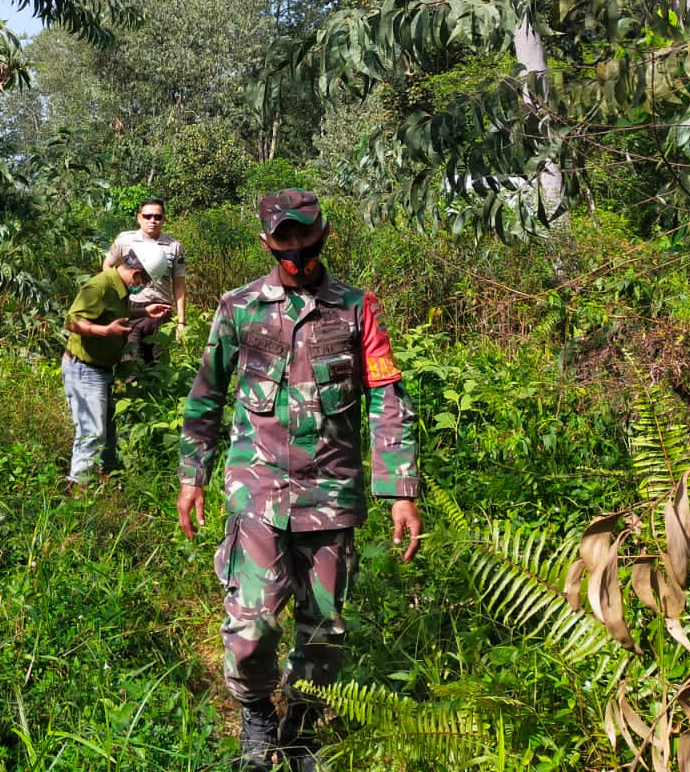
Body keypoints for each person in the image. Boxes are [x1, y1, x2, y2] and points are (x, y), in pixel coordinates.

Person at [175, 189, 423, 772]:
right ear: (267, 243)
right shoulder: (238, 308)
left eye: (304, 236)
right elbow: (207, 394)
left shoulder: (358, 309)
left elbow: (389, 400)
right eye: (283, 239)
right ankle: (257, 715)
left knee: (323, 626)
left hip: (331, 494)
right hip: (256, 489)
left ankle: (303, 726)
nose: (295, 250)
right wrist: (194, 475)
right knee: (253, 620)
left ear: (324, 234)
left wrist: (401, 489)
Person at [62, 250, 173, 485]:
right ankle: (78, 486)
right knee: (92, 431)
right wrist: (105, 331)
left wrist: (144, 311)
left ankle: (107, 476)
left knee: (108, 429)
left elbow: (113, 314)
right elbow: (71, 322)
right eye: (145, 280)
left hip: (101, 369)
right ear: (136, 273)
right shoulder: (99, 287)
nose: (143, 286)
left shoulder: (119, 288)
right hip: (84, 368)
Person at [103, 198, 187, 363]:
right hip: (133, 308)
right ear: (139, 217)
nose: (152, 221)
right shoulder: (125, 240)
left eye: (157, 217)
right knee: (131, 364)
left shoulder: (173, 246)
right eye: (147, 216)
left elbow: (179, 284)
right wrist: (118, 297)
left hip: (162, 311)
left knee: (159, 367)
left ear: (164, 219)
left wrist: (181, 321)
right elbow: (107, 266)